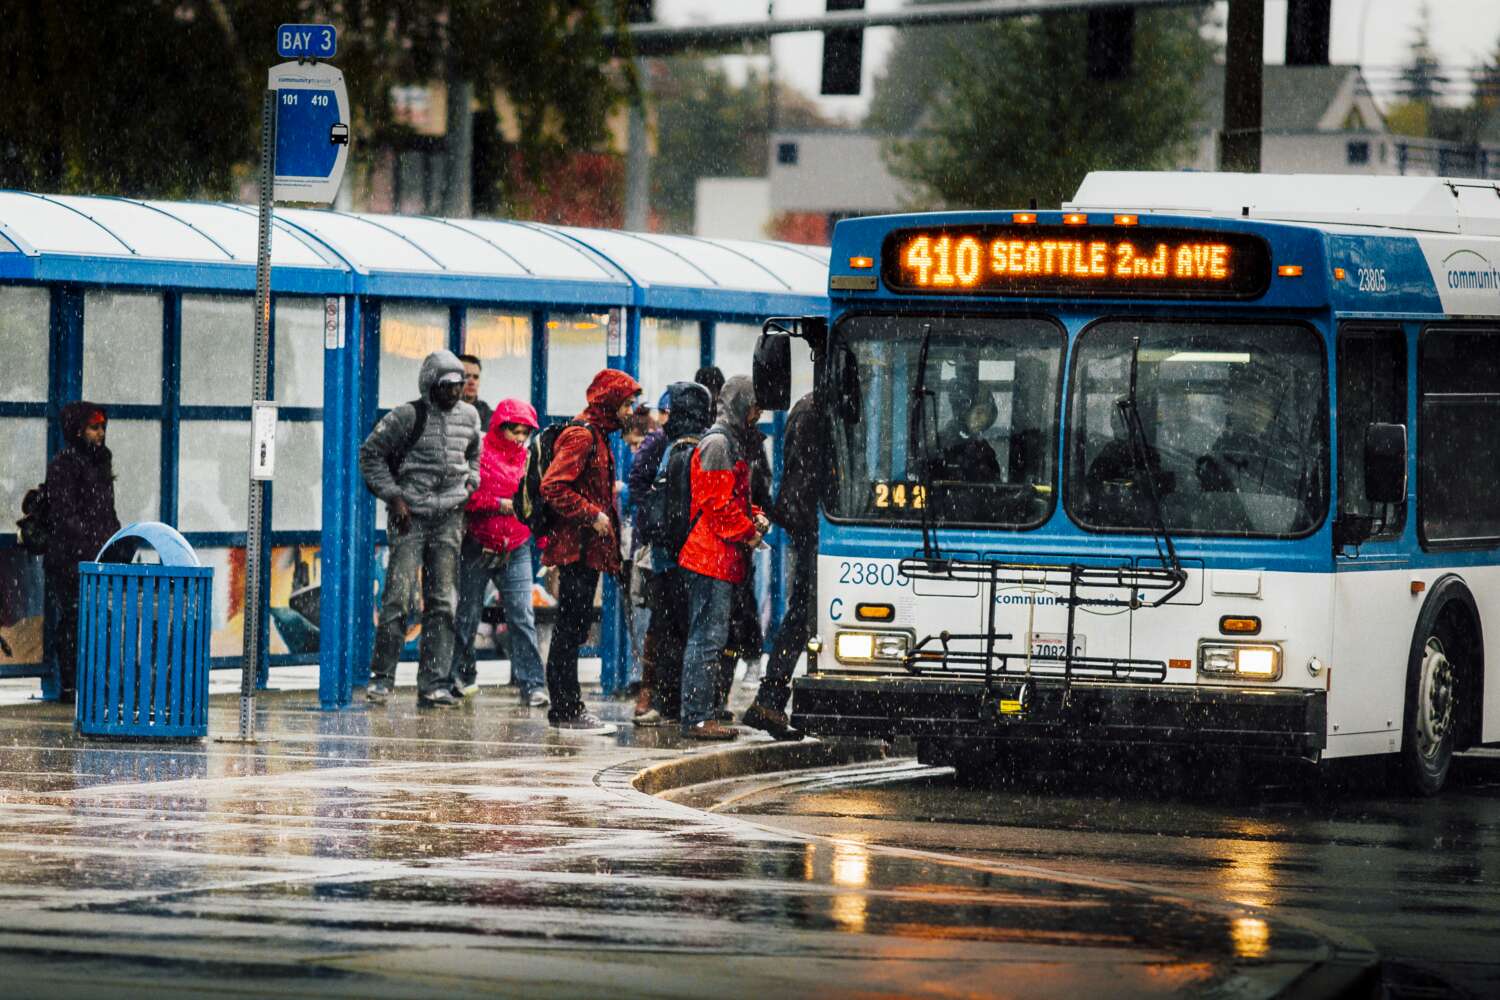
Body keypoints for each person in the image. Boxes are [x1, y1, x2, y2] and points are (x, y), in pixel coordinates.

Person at [359, 349, 481, 709]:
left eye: (459, 385)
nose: (455, 391)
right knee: (398, 598)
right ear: (431, 384)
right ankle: (381, 679)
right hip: (410, 516)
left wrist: (470, 482)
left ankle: (434, 683)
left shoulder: (470, 416)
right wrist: (394, 496)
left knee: (443, 602)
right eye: (447, 385)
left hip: (449, 518)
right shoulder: (406, 416)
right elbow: (371, 455)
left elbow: (475, 453)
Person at [539, 368, 642, 732]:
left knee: (574, 625)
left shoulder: (597, 436)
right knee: (570, 627)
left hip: (585, 551)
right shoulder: (582, 437)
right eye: (628, 402)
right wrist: (592, 514)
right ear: (611, 402)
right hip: (575, 551)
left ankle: (567, 707)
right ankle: (566, 709)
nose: (632, 410)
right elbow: (553, 487)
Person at [678, 376, 768, 741]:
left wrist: (752, 518)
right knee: (707, 639)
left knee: (710, 638)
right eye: (755, 406)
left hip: (718, 557)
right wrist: (750, 530)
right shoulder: (719, 443)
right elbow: (717, 504)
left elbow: (727, 501)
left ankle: (702, 713)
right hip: (711, 557)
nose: (759, 414)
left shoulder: (726, 441)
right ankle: (698, 716)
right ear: (742, 405)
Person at [450, 399, 550, 706]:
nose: (519, 438)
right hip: (479, 543)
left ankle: (533, 684)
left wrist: (543, 541)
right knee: (467, 616)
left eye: (524, 432)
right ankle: (462, 676)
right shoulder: (480, 454)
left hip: (516, 546)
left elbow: (538, 502)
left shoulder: (530, 459)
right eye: (514, 431)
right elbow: (467, 495)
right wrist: (499, 504)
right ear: (499, 428)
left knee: (522, 615)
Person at [630, 381, 713, 726]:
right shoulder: (689, 447)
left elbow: (643, 489)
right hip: (683, 556)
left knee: (666, 628)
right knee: (680, 629)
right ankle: (675, 703)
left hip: (667, 554)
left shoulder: (670, 445)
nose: (664, 418)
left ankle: (666, 700)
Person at [744, 391, 822, 740]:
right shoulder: (816, 411)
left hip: (807, 523)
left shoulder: (807, 407)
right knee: (803, 612)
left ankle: (771, 699)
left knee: (802, 613)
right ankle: (770, 699)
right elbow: (808, 476)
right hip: (814, 526)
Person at [42, 403, 123, 704]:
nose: (100, 433)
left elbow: (106, 511)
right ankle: (70, 684)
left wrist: (115, 541)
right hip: (70, 559)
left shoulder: (100, 461)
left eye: (102, 426)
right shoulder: (65, 464)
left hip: (96, 555)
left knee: (94, 618)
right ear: (78, 430)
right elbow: (65, 516)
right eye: (94, 427)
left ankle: (88, 682)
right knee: (74, 618)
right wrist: (92, 544)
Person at [936, 394, 1002, 483]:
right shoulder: (943, 442)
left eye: (987, 415)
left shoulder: (985, 449)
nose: (983, 419)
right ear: (965, 412)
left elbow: (995, 485)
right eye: (979, 412)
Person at [458, 354, 492, 433]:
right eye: (466, 376)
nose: (472, 382)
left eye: (476, 377)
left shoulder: (490, 418)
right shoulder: (439, 411)